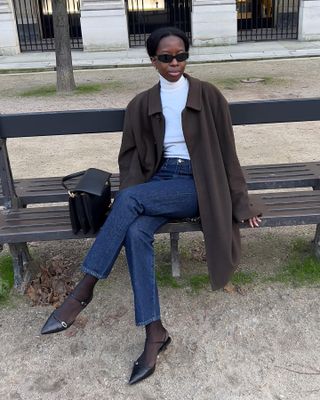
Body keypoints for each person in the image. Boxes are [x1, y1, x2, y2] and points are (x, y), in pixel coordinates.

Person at [41, 26, 261, 385]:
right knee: (134, 228)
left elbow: (229, 155)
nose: (175, 63)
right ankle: (154, 332)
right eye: (166, 57)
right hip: (157, 184)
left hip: (199, 184)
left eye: (181, 56)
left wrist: (242, 203)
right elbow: (129, 160)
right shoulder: (141, 104)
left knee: (128, 199)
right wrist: (137, 196)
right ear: (153, 61)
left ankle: (82, 291)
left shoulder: (209, 96)